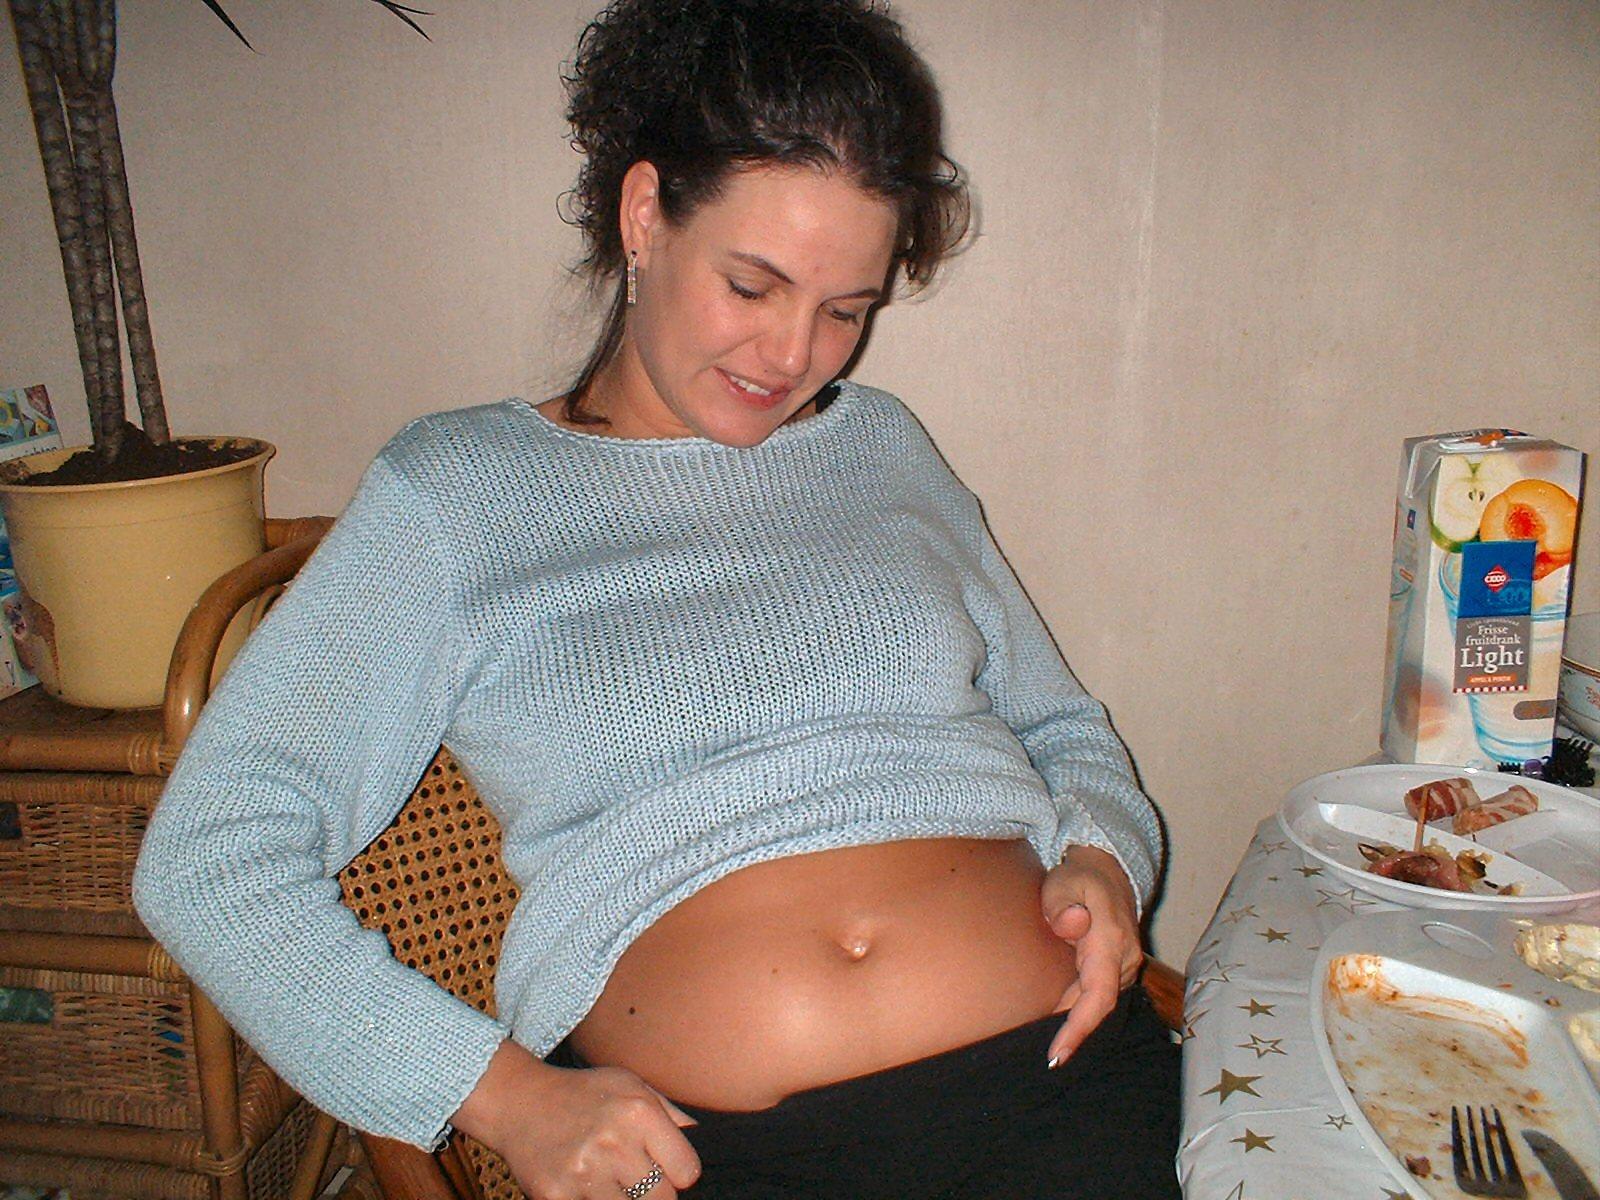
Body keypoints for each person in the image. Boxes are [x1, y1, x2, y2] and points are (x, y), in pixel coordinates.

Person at [132, 2, 1180, 1197]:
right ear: (644, 216)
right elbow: (209, 861)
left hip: (1067, 1078)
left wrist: (1102, 855)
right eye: (752, 285)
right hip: (718, 1157)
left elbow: (1059, 726)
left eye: (845, 311)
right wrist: (502, 1095)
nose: (792, 355)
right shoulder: (459, 493)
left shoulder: (883, 447)